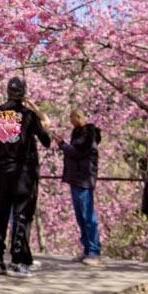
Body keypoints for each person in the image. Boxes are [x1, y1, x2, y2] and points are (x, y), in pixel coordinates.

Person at [0, 77, 53, 277]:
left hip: (2, 171)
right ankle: (17, 261)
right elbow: (46, 141)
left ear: (7, 91)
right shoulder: (28, 115)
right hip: (22, 172)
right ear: (23, 93)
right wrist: (43, 120)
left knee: (2, 213)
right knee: (21, 215)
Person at [58, 108, 103, 265]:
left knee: (88, 216)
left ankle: (94, 251)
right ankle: (87, 249)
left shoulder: (88, 134)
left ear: (78, 117)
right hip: (76, 178)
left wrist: (61, 144)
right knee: (80, 216)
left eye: (71, 117)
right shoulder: (77, 132)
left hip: (84, 179)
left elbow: (76, 152)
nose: (70, 121)